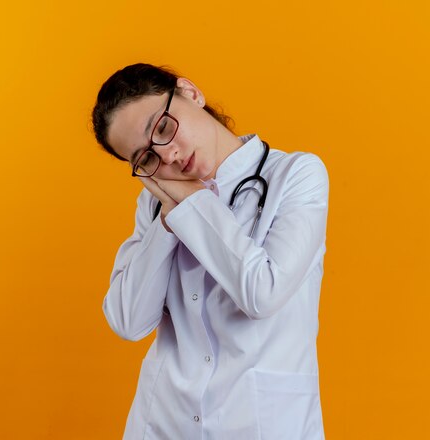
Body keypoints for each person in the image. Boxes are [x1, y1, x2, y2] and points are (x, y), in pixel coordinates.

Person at [91, 63, 329, 440]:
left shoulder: (296, 176)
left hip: (261, 425)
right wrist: (169, 223)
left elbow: (262, 292)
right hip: (162, 424)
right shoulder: (154, 207)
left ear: (190, 93)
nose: (167, 156)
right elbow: (127, 320)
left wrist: (192, 202)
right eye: (146, 158)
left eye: (164, 127)